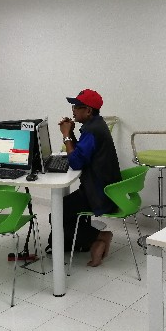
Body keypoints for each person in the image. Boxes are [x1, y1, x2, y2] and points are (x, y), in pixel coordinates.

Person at [48, 88, 122, 267]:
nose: (73, 110)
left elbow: (75, 162)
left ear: (88, 110)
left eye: (76, 107)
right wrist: (72, 133)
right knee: (64, 209)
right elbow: (81, 154)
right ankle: (86, 241)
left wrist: (66, 135)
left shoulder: (92, 131)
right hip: (105, 189)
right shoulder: (96, 125)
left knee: (57, 214)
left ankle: (100, 237)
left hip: (99, 194)